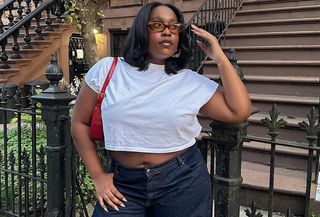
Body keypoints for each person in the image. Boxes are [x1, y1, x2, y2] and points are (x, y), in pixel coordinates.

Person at [71, 2, 251, 217]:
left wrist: (220, 58)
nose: (167, 31)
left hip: (182, 181)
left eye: (174, 26)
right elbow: (80, 123)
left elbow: (239, 111)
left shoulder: (190, 81)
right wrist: (98, 176)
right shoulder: (108, 69)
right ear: (141, 30)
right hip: (123, 183)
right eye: (157, 25)